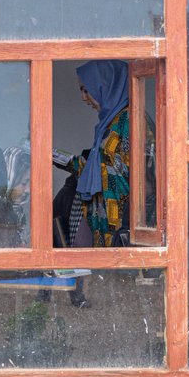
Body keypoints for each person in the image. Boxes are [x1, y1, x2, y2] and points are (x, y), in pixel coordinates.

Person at [67, 59, 136, 248]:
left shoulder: (130, 121)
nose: (84, 98)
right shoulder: (108, 124)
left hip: (123, 230)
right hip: (104, 228)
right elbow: (102, 169)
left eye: (86, 89)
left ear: (106, 84)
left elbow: (143, 177)